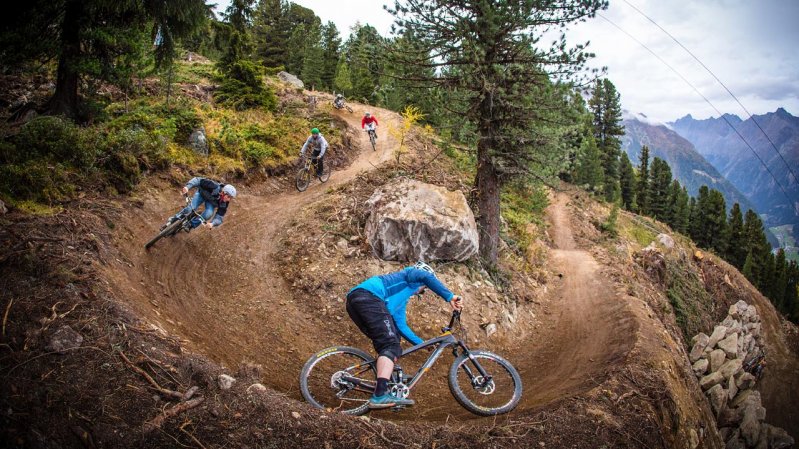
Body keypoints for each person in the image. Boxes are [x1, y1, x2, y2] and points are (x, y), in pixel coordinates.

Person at [345, 261, 464, 409]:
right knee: (391, 345)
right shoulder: (410, 275)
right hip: (369, 297)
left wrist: (421, 343)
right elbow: (425, 276)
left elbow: (401, 326)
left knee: (391, 342)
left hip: (356, 302)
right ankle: (379, 395)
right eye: (424, 288)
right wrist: (450, 296)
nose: (422, 291)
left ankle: (386, 385)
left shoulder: (401, 299)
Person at [166, 177, 237, 231]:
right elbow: (198, 180)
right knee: (190, 208)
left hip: (210, 203)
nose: (229, 199)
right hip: (201, 194)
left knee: (208, 214)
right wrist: (187, 187)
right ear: (223, 192)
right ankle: (175, 218)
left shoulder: (224, 203)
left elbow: (219, 218)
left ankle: (190, 225)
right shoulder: (214, 186)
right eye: (228, 197)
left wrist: (212, 224)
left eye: (231, 198)